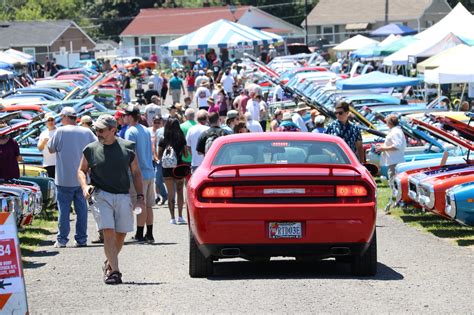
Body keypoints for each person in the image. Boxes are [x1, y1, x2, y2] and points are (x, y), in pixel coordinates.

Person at [78, 114, 145, 285]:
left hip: (123, 195)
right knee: (108, 231)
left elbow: (136, 172)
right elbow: (81, 170)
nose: (98, 133)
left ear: (113, 130)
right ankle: (115, 272)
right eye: (96, 130)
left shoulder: (128, 147)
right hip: (101, 194)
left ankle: (109, 262)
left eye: (101, 130)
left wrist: (140, 197)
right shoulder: (90, 149)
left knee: (121, 233)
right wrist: (85, 186)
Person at [48, 107, 97, 248]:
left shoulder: (60, 131)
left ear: (65, 117)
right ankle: (81, 239)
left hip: (63, 178)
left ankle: (62, 239)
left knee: (64, 211)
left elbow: (51, 149)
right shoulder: (86, 131)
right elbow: (96, 148)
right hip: (82, 179)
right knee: (82, 210)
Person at [123, 105, 156, 243]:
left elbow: (130, 153)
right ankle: (149, 234)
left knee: (139, 203)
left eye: (125, 115)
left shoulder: (130, 131)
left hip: (138, 174)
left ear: (130, 116)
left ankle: (139, 234)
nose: (124, 117)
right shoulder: (145, 130)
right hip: (149, 171)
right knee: (148, 205)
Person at [157, 118, 189, 224]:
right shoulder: (181, 138)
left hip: (166, 169)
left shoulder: (163, 139)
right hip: (178, 168)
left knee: (171, 193)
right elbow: (186, 155)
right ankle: (180, 216)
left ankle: (172, 218)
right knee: (180, 192)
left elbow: (159, 155)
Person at [375, 114, 406, 214]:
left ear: (390, 122)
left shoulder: (396, 131)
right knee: (393, 182)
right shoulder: (395, 131)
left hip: (394, 161)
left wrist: (383, 148)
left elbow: (397, 145)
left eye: (387, 122)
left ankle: (397, 202)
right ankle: (397, 201)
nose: (386, 123)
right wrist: (383, 146)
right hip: (393, 160)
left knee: (394, 182)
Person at [151, 116, 168, 205]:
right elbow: (154, 144)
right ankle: (165, 196)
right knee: (157, 180)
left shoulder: (172, 131)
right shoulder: (158, 131)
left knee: (170, 180)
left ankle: (170, 197)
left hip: (169, 159)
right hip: (159, 159)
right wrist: (155, 155)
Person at [38, 113, 57, 178]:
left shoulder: (59, 131)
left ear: (55, 121)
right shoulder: (43, 133)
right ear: (45, 122)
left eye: (52, 120)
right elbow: (40, 148)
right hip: (47, 164)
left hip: (58, 164)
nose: (50, 122)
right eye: (48, 120)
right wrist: (43, 142)